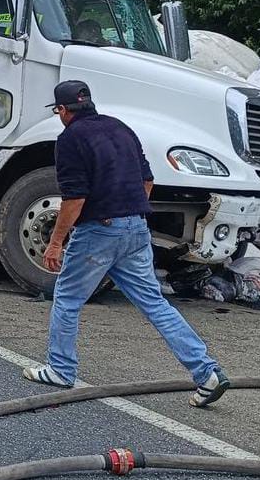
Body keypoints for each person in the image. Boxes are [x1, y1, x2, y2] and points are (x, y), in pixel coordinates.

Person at [24, 80, 230, 408]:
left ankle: (61, 369)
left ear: (62, 110)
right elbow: (147, 179)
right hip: (136, 227)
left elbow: (75, 199)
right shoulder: (120, 128)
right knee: (154, 303)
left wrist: (55, 242)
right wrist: (127, 210)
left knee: (67, 298)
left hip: (100, 231)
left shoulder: (70, 139)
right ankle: (206, 372)